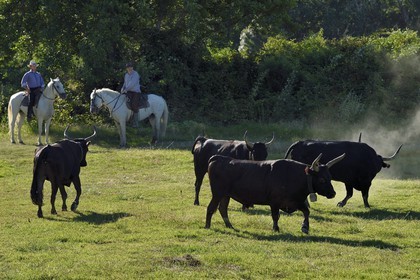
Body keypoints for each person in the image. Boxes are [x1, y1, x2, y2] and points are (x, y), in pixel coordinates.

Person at [121, 62, 141, 127]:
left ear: (132, 67)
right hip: (128, 91)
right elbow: (125, 83)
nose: (129, 68)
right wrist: (122, 88)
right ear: (126, 68)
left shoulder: (135, 74)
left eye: (130, 67)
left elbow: (132, 84)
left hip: (135, 92)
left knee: (134, 105)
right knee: (123, 103)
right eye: (128, 67)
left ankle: (136, 123)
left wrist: (125, 89)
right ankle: (126, 119)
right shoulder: (126, 75)